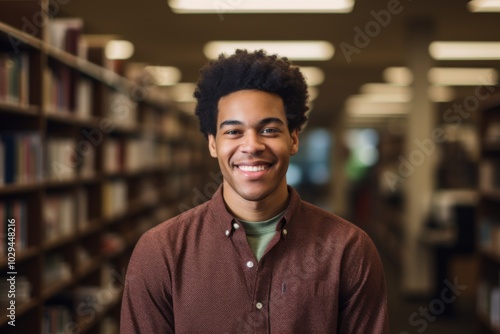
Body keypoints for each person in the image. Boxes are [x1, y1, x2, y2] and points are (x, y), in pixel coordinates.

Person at [120, 49, 389, 333]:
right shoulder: (161, 252)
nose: (252, 146)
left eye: (269, 130)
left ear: (294, 139)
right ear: (213, 143)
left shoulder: (349, 250)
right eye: (234, 132)